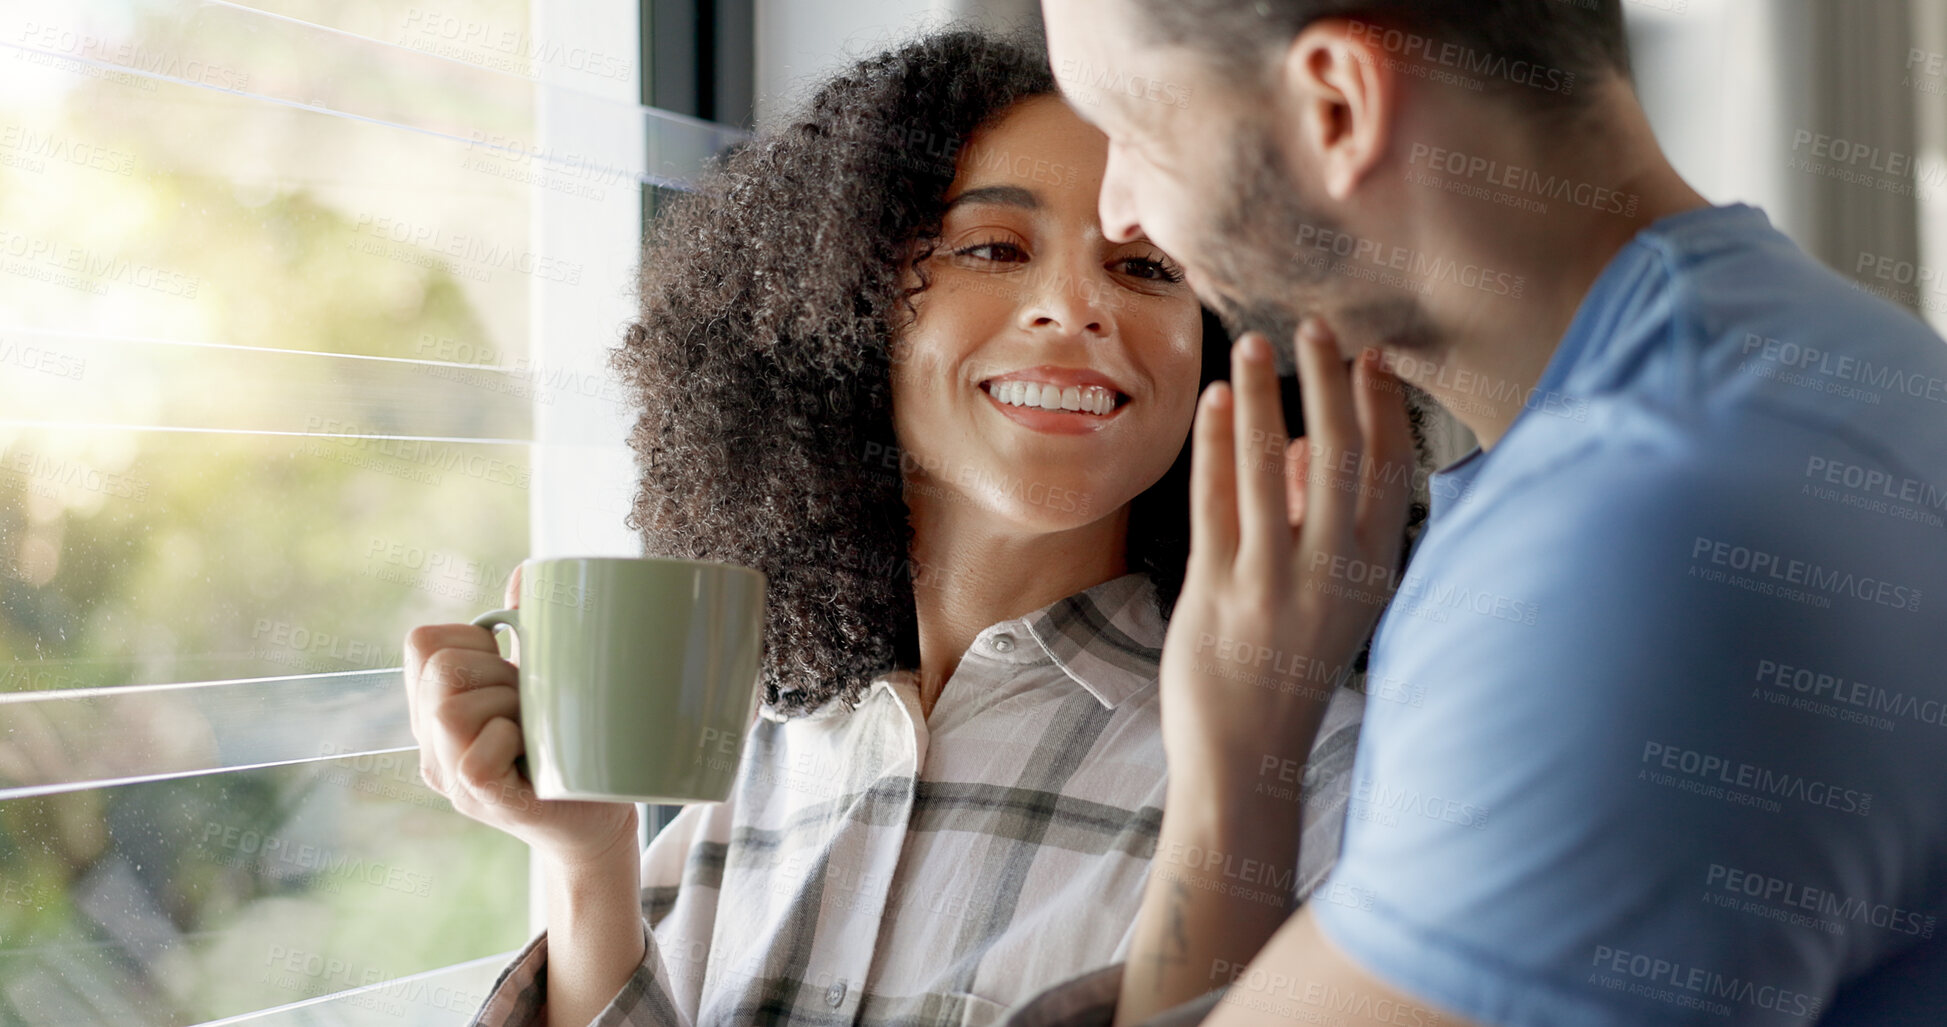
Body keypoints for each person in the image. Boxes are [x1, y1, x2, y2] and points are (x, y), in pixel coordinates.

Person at [402, 31, 1382, 1027]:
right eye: (995, 248)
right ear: (844, 309)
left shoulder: (1320, 782)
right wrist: (585, 860)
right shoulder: (747, 761)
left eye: (1146, 266)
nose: (1079, 307)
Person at [1030, 0, 1947, 1025]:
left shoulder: (1637, 546)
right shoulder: (1821, 378)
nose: (1118, 210)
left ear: (1337, 106)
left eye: (1136, 130)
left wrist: (1233, 768)